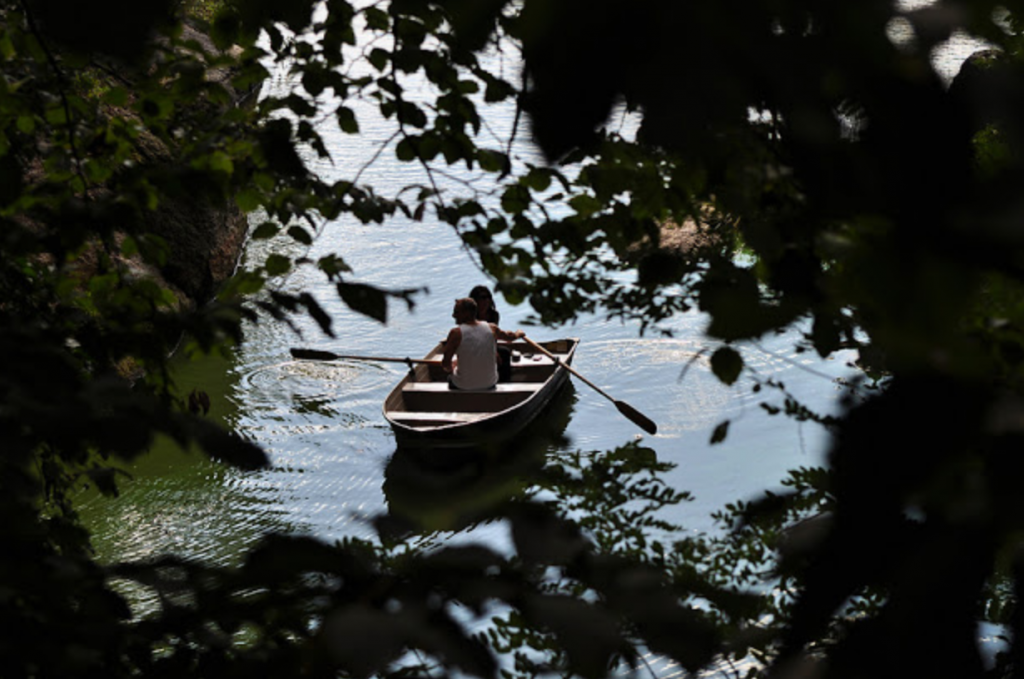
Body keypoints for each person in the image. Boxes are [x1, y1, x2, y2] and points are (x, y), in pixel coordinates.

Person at [442, 298, 524, 390]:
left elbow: (445, 365)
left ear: (466, 313)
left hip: (463, 385)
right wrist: (518, 333)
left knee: (449, 377)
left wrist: (452, 367)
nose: (453, 315)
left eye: (456, 312)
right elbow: (510, 337)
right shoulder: (492, 328)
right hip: (489, 383)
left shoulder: (456, 333)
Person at [468, 285, 513, 382]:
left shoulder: (493, 315)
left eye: (488, 297)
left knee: (505, 353)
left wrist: (493, 351)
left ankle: (504, 382)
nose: (486, 301)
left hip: (488, 345)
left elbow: (492, 338)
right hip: (472, 347)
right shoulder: (469, 317)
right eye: (483, 297)